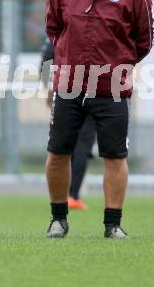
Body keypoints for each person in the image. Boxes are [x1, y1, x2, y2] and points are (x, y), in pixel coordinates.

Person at [44, 0, 154, 239]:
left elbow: (144, 41)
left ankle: (113, 223)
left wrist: (119, 66)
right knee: (57, 153)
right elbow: (54, 32)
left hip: (112, 89)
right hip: (69, 87)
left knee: (115, 156)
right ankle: (58, 218)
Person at [40, 38, 96, 210]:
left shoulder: (59, 33)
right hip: (90, 91)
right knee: (81, 146)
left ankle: (64, 196)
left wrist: (49, 89)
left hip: (69, 92)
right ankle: (72, 196)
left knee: (66, 146)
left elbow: (45, 62)